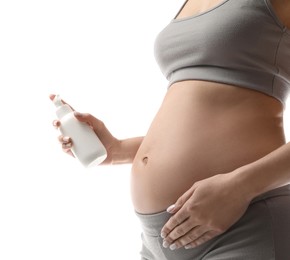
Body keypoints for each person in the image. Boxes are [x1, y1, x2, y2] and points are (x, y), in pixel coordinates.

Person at [50, 0, 290, 259]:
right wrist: (117, 150)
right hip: (156, 237)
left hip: (244, 226)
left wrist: (242, 187)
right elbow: (200, 121)